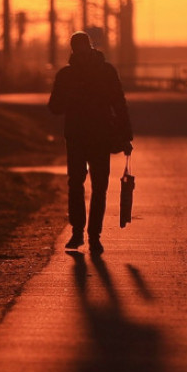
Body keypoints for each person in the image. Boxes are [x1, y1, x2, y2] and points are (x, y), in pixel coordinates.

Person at [48, 31, 133, 254]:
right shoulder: (104, 71)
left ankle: (84, 234)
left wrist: (126, 135)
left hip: (84, 135)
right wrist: (126, 135)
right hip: (93, 136)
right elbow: (119, 104)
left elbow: (54, 107)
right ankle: (89, 235)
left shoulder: (69, 75)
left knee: (81, 184)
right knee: (93, 187)